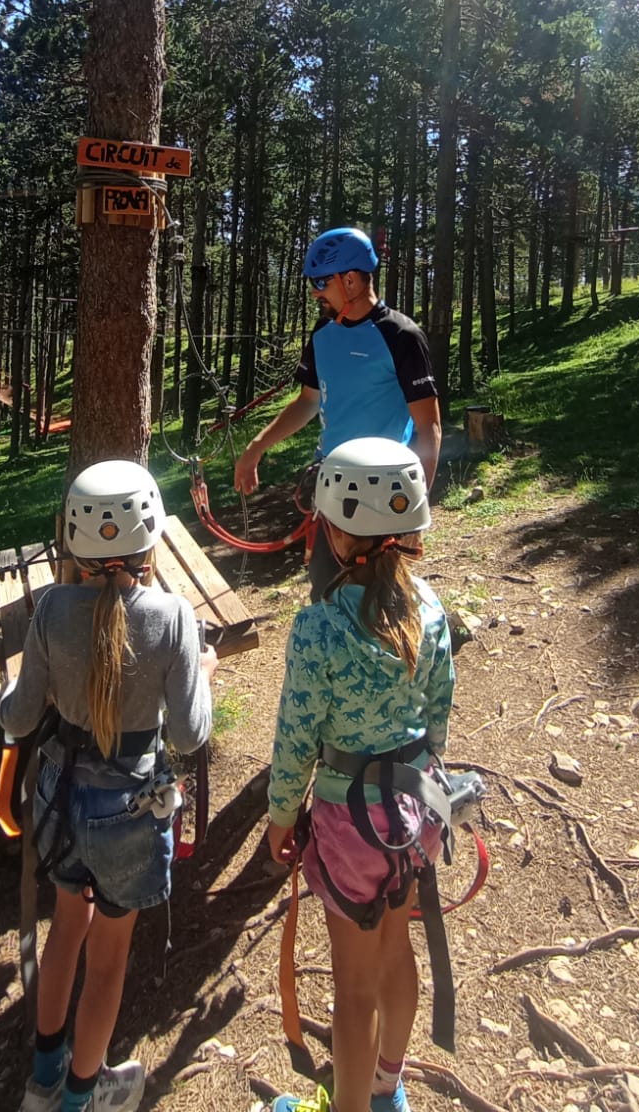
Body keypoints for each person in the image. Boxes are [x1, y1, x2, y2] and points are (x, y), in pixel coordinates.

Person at [0, 460, 217, 1112]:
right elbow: (189, 735)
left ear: (73, 537)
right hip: (129, 809)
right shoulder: (172, 617)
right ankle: (81, 1098)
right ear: (150, 538)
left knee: (67, 927)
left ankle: (44, 1078)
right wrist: (202, 672)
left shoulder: (51, 609)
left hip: (60, 798)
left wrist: (19, 683)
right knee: (109, 962)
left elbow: (18, 718)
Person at [265, 437, 455, 1112]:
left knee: (353, 988)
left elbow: (296, 739)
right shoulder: (429, 609)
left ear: (336, 532)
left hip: (351, 828)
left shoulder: (317, 629)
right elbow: (438, 716)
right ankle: (386, 1089)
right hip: (416, 812)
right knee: (396, 951)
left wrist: (281, 815)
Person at [233, 227, 441, 598]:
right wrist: (257, 447)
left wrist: (416, 506)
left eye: (321, 282)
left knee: (383, 598)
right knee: (326, 590)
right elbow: (307, 402)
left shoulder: (401, 336)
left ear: (351, 280)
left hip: (384, 487)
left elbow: (430, 427)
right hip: (331, 481)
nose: (315, 292)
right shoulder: (322, 333)